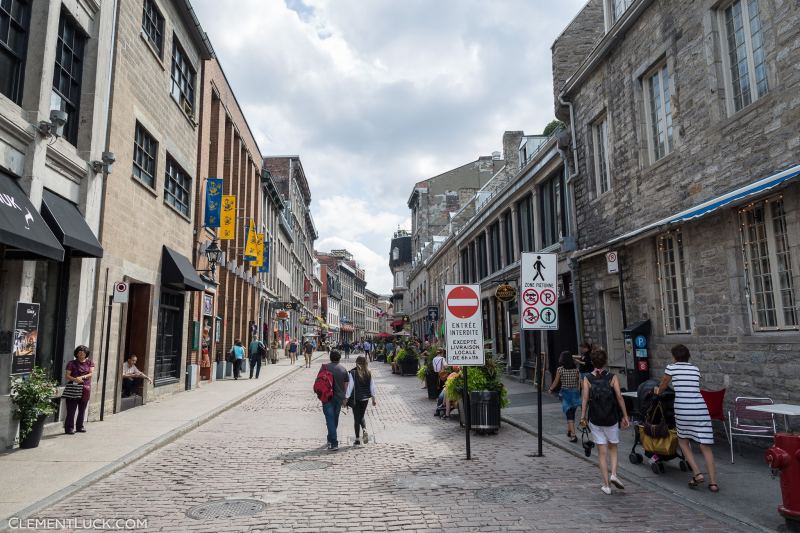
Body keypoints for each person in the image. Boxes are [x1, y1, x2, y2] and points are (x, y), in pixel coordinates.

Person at [654, 344, 719, 493]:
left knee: (683, 441)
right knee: (705, 445)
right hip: (700, 408)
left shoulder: (671, 368)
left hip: (683, 409)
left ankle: (697, 473)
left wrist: (657, 391)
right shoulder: (695, 369)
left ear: (674, 357)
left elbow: (663, 384)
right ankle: (713, 483)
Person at [580, 349, 630, 495]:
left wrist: (583, 416)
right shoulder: (612, 377)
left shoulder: (588, 378)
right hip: (611, 417)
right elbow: (619, 397)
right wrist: (625, 415)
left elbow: (584, 399)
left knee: (602, 452)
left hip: (595, 418)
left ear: (592, 362)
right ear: (605, 361)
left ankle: (606, 485)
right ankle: (614, 474)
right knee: (613, 448)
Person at [549, 351, 581, 443]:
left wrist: (551, 389)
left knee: (568, 413)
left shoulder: (560, 370)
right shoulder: (576, 370)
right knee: (572, 413)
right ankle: (569, 430)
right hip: (575, 393)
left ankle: (573, 435)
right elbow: (580, 382)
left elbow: (556, 381)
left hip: (565, 393)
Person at [345, 356, 377, 445]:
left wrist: (346, 398)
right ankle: (364, 429)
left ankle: (357, 440)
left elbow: (350, 387)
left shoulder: (352, 373)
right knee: (361, 415)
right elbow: (372, 386)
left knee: (356, 418)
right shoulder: (368, 372)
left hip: (356, 398)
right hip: (365, 398)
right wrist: (374, 399)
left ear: (356, 362)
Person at [321, 350, 350, 450]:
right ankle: (331, 440)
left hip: (326, 397)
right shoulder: (343, 370)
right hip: (338, 398)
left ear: (330, 357)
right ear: (339, 358)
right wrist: (345, 398)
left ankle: (333, 442)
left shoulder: (324, 367)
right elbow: (346, 386)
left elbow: (319, 381)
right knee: (334, 419)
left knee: (330, 420)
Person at [64, 345, 94, 434]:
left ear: (86, 354)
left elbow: (91, 373)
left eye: (83, 353)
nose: (81, 354)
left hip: (85, 388)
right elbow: (67, 376)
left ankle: (80, 426)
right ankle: (69, 428)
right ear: (76, 353)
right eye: (79, 352)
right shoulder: (71, 363)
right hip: (73, 388)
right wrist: (75, 379)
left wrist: (82, 376)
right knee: (71, 409)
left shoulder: (89, 363)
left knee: (82, 409)